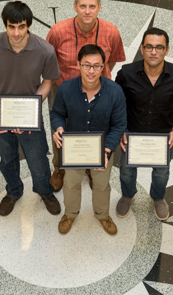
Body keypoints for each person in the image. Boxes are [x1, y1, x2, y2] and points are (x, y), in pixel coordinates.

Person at [0, 1, 61, 216]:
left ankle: (45, 192)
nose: (16, 32)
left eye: (21, 26)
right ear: (5, 25)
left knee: (38, 158)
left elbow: (48, 82)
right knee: (7, 158)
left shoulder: (45, 50)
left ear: (28, 26)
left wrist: (30, 111)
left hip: (29, 115)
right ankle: (13, 191)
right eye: (11, 26)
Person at [46, 0, 126, 192]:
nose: (87, 11)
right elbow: (49, 62)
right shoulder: (57, 32)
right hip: (64, 91)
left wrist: (95, 76)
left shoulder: (111, 31)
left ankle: (92, 167)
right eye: (83, 6)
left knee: (98, 129)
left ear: (99, 7)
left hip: (98, 91)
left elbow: (112, 61)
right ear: (74, 6)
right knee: (60, 131)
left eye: (92, 6)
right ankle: (59, 168)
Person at [115, 28, 173, 220]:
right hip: (132, 133)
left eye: (159, 47)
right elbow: (115, 102)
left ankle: (157, 198)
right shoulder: (126, 73)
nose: (153, 52)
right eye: (149, 46)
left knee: (161, 173)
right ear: (141, 49)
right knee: (126, 170)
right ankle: (128, 194)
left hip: (163, 136)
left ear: (167, 50)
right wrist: (121, 130)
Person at [51, 45, 127, 235]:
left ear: (103, 67)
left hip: (102, 150)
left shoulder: (115, 92)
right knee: (71, 183)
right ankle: (70, 213)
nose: (91, 71)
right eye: (86, 65)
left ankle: (102, 215)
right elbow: (57, 113)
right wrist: (59, 127)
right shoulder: (66, 89)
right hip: (74, 149)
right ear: (78, 65)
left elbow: (119, 125)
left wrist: (107, 150)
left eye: (96, 66)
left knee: (101, 185)